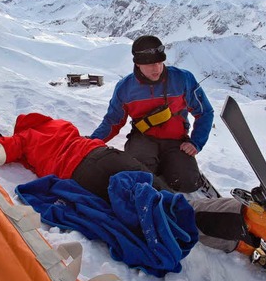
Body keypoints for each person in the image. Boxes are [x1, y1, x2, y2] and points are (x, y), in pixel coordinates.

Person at [0, 113, 266, 259]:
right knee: (166, 198)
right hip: (108, 156)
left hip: (86, 173)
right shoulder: (61, 126)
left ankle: (247, 217)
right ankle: (237, 238)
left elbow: (0, 151)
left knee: (162, 213)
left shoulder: (28, 137)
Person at [90, 35, 214, 193]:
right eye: (149, 64)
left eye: (159, 62)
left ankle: (171, 168)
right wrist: (91, 143)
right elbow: (112, 122)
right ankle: (156, 170)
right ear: (137, 64)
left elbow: (205, 112)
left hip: (176, 141)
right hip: (143, 138)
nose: (156, 68)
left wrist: (196, 142)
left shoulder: (182, 79)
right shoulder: (125, 88)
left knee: (187, 183)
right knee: (139, 179)